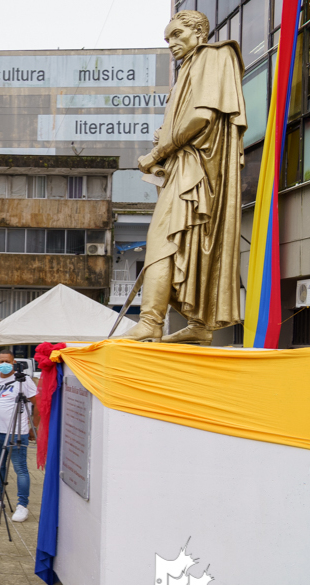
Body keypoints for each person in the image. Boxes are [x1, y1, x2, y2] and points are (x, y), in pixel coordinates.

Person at [122, 10, 245, 343]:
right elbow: (186, 120)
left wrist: (157, 153)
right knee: (189, 245)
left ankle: (150, 321)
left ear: (199, 32)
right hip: (186, 167)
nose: (171, 44)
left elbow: (201, 117)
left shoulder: (213, 55)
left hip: (197, 170)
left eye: (177, 34)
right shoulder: (191, 67)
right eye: (167, 39)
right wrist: (165, 137)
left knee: (162, 241)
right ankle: (199, 324)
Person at [0, 351, 38, 523]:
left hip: (17, 431)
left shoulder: (23, 380)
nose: (4, 363)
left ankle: (22, 505)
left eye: (7, 361)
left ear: (14, 362)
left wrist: (34, 426)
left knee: (20, 469)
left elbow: (37, 402)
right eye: (1, 361)